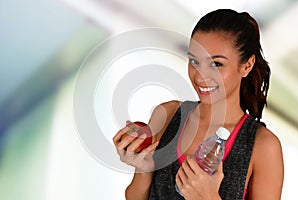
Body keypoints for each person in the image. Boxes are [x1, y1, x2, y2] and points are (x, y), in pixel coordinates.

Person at [113, 9, 284, 200]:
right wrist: (143, 169)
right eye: (194, 61)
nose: (201, 76)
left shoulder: (263, 146)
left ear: (246, 66)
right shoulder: (168, 114)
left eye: (216, 64)